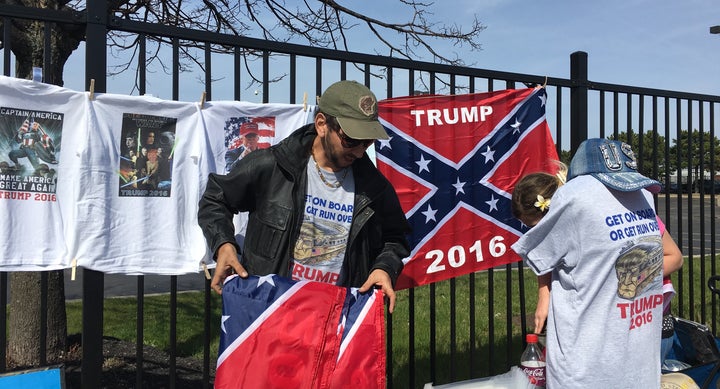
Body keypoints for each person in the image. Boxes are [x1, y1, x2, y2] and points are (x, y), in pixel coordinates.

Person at [198, 80, 411, 313]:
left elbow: (395, 238)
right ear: (322, 124)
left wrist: (384, 268)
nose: (360, 151)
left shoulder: (375, 188)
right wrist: (223, 244)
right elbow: (216, 198)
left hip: (335, 317)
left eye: (367, 141)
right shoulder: (273, 166)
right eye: (351, 140)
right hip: (270, 309)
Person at [511, 138, 666, 388]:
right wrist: (544, 293)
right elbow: (541, 256)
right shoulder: (632, 196)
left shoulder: (577, 199)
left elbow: (536, 251)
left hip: (608, 365)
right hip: (611, 365)